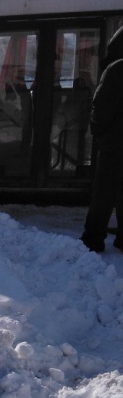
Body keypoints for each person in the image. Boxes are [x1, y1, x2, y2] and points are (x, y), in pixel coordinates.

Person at [80, 26, 123, 253]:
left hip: (114, 145)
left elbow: (101, 108)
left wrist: (97, 131)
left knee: (104, 193)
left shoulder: (116, 69)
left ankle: (93, 238)